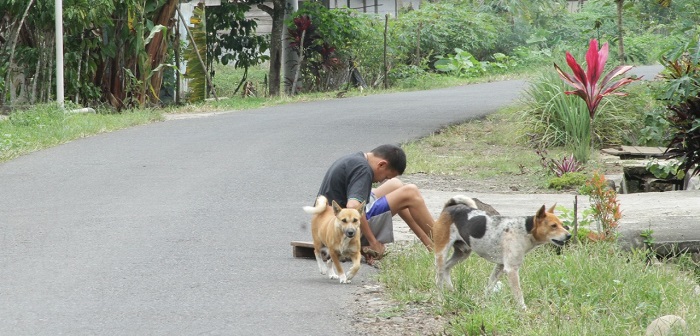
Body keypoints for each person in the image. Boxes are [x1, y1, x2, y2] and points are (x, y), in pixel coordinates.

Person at [312, 144, 435, 263]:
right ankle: (442, 241)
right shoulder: (364, 170)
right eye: (385, 176)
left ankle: (431, 245)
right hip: (341, 231)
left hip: (324, 224)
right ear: (381, 164)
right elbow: (353, 206)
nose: (382, 180)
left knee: (395, 185)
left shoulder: (356, 159)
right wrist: (373, 242)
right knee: (410, 192)